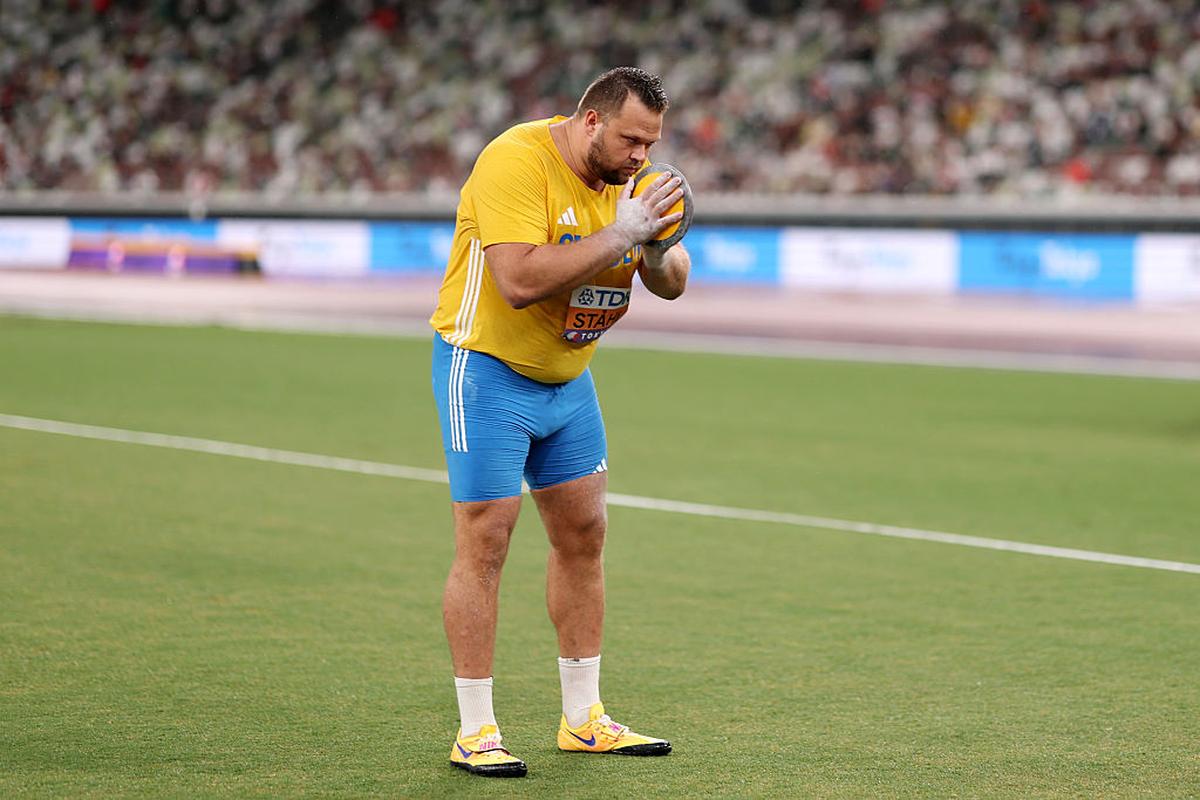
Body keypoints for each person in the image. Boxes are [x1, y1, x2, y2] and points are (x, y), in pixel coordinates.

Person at [428, 66, 690, 778]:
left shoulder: (629, 187)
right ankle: (476, 730)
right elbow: (517, 282)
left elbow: (671, 283)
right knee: (487, 538)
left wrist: (657, 245)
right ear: (591, 122)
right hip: (486, 371)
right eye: (631, 140)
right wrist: (623, 233)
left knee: (584, 534)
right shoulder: (515, 160)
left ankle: (584, 719)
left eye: (652, 143)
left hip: (568, 379)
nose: (642, 156)